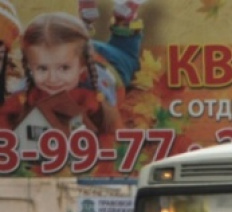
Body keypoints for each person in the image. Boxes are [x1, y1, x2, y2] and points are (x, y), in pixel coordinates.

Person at [0, 3, 145, 151]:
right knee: (75, 45)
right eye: (42, 69)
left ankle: (124, 21)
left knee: (129, 57)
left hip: (111, 61)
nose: (52, 78)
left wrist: (96, 151)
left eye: (64, 69)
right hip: (73, 51)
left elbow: (114, 135)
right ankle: (85, 24)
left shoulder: (94, 96)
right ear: (30, 66)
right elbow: (4, 117)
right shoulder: (24, 92)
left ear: (82, 69)